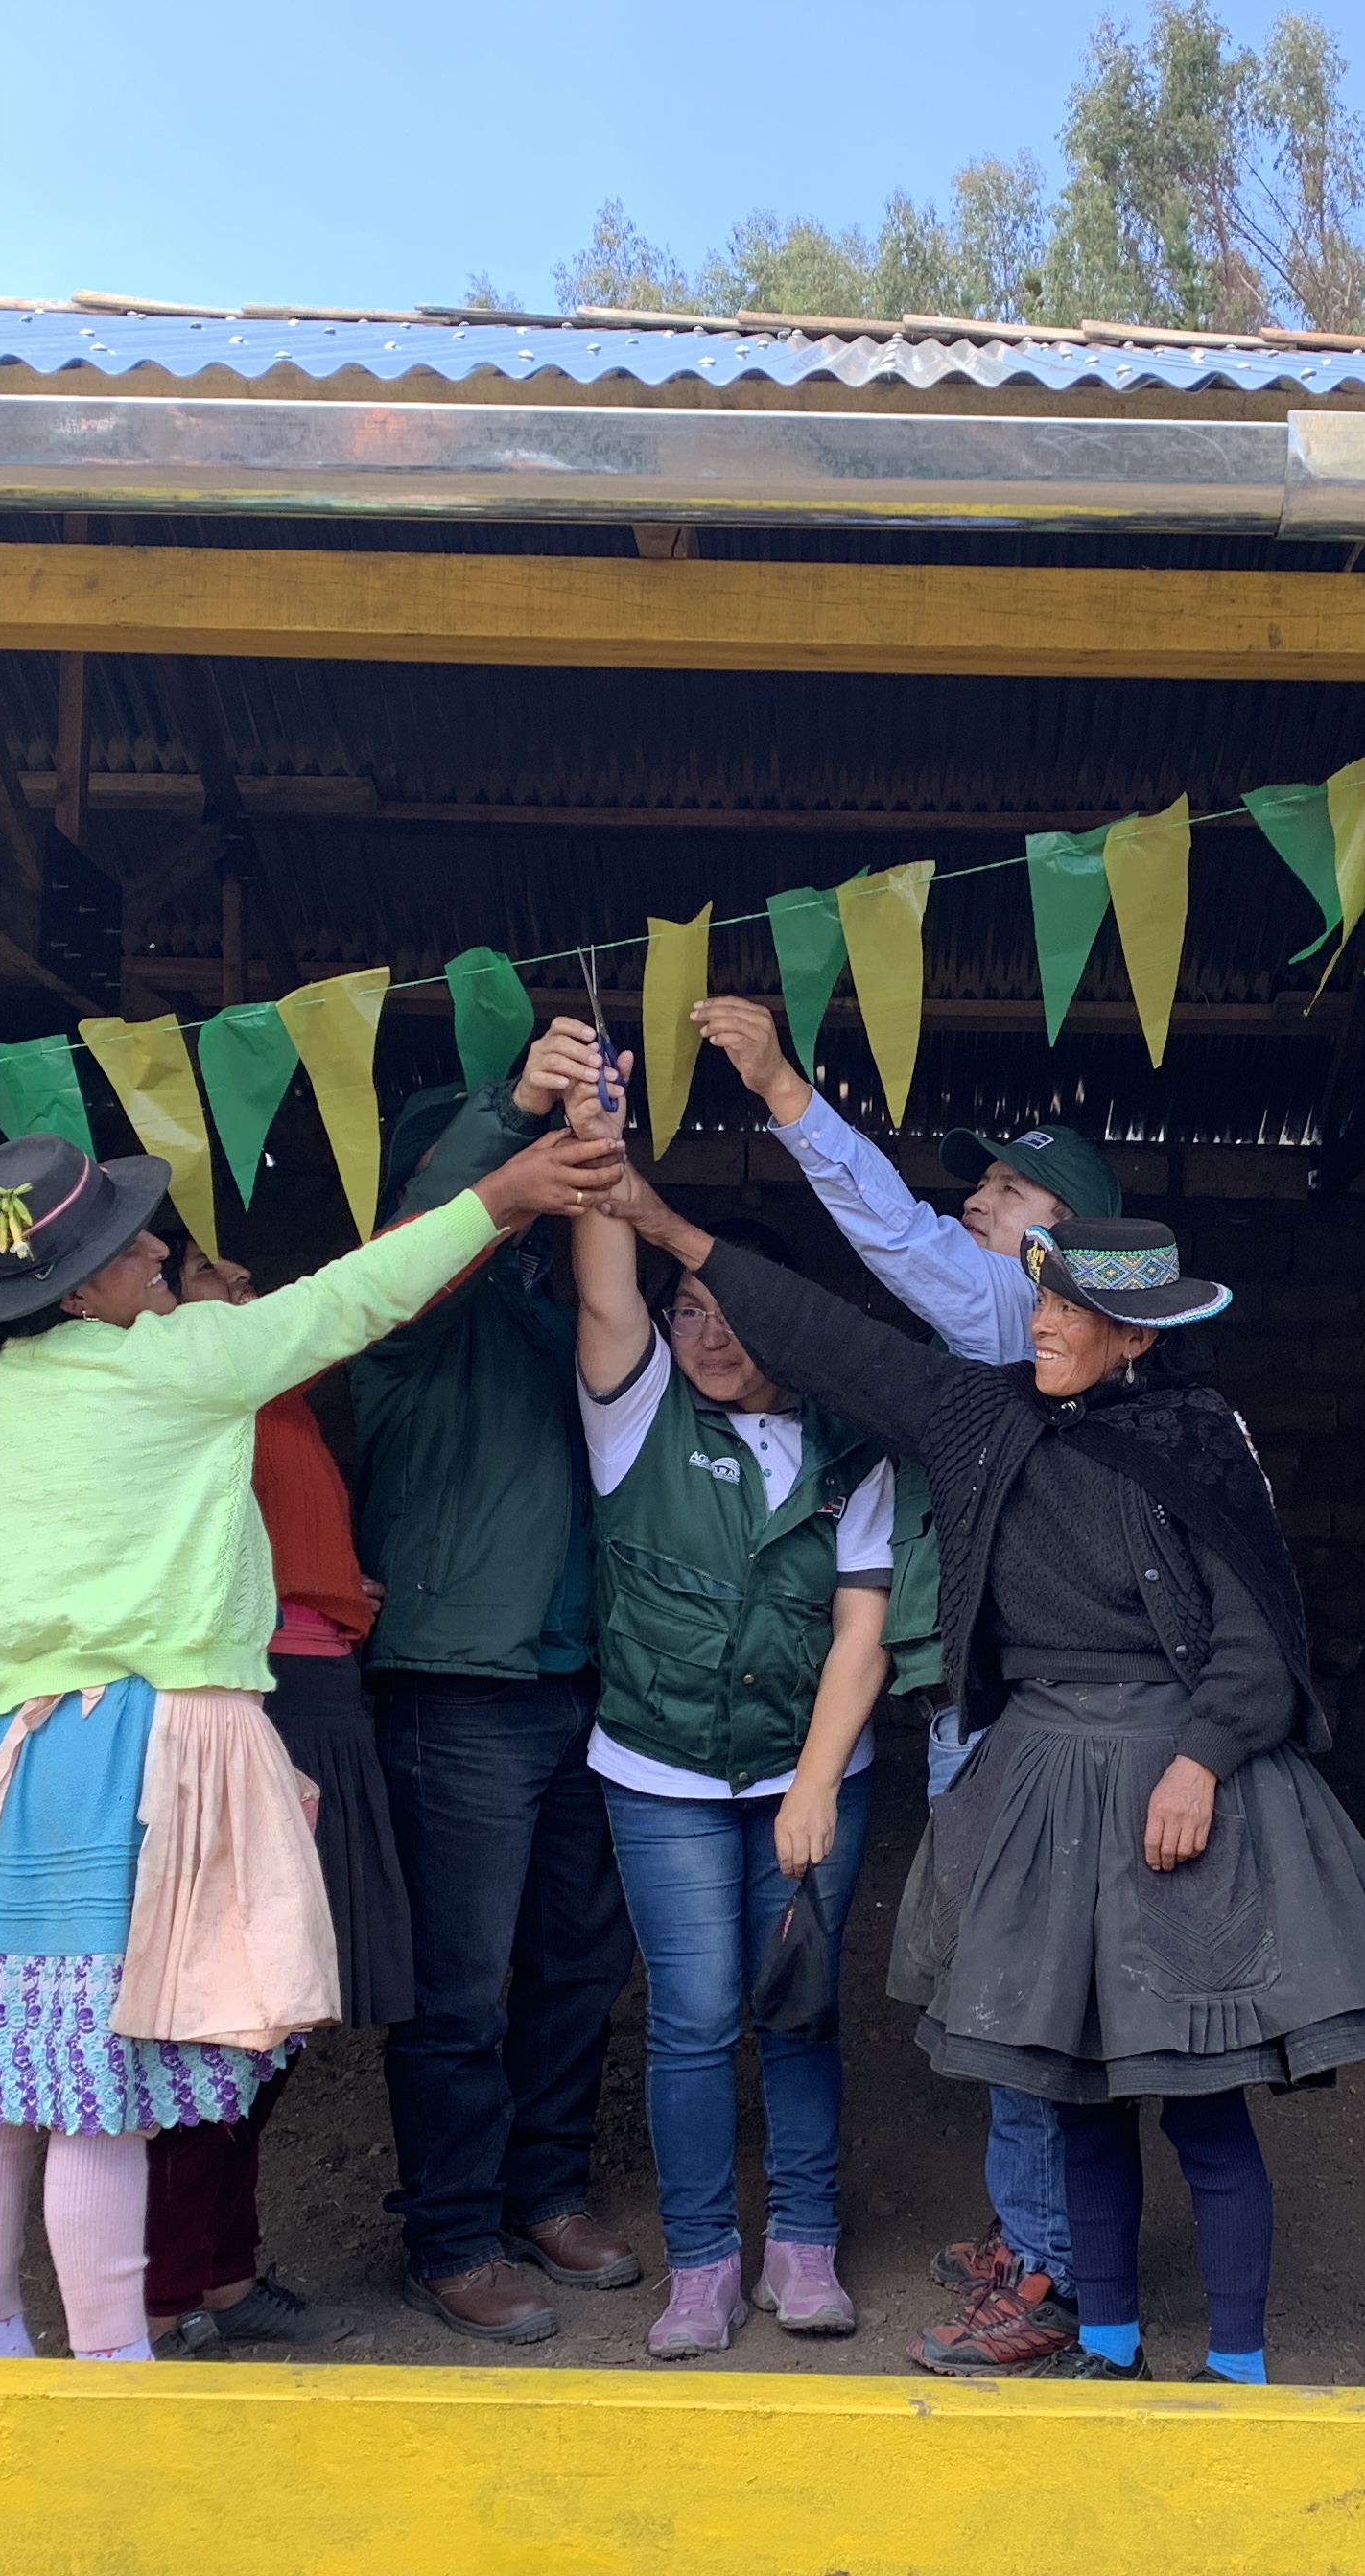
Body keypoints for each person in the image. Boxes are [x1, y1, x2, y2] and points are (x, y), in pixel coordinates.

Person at [610, 1163, 1365, 2384]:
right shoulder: (986, 1417)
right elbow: (832, 1343)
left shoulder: (1201, 1445)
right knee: (1081, 2088)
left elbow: (1262, 1635)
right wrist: (668, 1227)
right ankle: (1105, 2343)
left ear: (1136, 1337)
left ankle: (1241, 2366)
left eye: (1065, 1312)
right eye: (1037, 1303)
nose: (1037, 1324)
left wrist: (1201, 1761)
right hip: (1044, 1777)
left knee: (1200, 2097)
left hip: (1177, 1780)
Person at [0, 1125, 605, 2361]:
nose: (156, 1247)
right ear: (80, 1286)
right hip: (143, 1760)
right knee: (104, 2108)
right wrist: (498, 1196)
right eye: (127, 1244)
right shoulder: (170, 1366)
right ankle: (114, 2365)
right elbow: (348, 1300)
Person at [690, 989, 1119, 2375]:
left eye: (1000, 1187)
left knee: (1021, 1994)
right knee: (1004, 1988)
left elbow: (893, 1235)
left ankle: (1049, 2272)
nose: (975, 1207)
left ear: (1055, 1230)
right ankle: (1038, 2240)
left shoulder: (1013, 1311)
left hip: (1016, 1725)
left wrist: (785, 1092)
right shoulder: (986, 1353)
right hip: (983, 1718)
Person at [347, 1027, 652, 2343]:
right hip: (457, 1684)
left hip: (583, 1678)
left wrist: (591, 1142)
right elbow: (424, 1241)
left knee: (576, 1964)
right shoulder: (396, 1313)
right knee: (461, 1983)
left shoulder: (544, 1305)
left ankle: (542, 2191)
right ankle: (451, 2234)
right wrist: (514, 1114)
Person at [569, 1187, 895, 2355]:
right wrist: (601, 1148)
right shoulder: (639, 1414)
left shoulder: (853, 1445)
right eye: (689, 1311)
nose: (708, 1337)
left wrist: (813, 1785)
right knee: (695, 2018)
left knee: (798, 2007)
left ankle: (805, 2245)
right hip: (659, 1774)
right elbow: (608, 1289)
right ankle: (703, 2265)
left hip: (808, 1771)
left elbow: (863, 1629)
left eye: (735, 1315)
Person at [138, 1245, 410, 2359]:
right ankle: (162, 2291)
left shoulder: (279, 1403)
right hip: (255, 1700)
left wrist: (339, 1593)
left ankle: (224, 2266)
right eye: (222, 1281)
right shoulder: (188, 1392)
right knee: (222, 2010)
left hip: (318, 1690)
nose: (250, 1296)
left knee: (272, 2022)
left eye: (252, 1283)